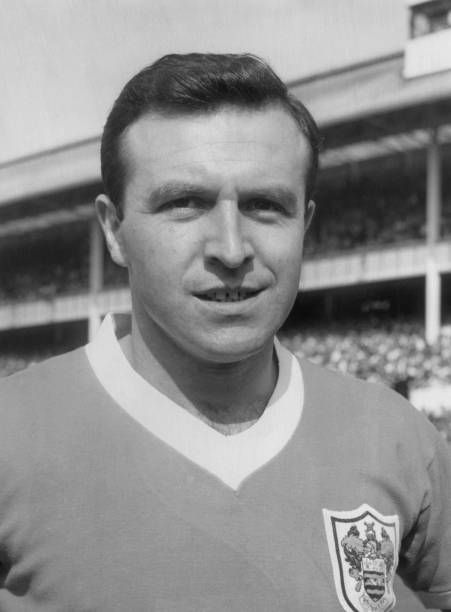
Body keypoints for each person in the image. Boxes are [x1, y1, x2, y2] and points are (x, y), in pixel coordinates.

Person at [0, 53, 450, 612]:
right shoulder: (11, 432)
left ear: (305, 225)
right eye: (184, 204)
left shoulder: (401, 437)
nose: (232, 249)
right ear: (114, 231)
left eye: (266, 206)